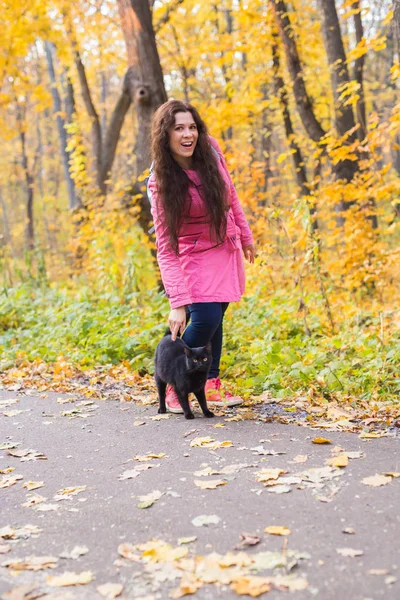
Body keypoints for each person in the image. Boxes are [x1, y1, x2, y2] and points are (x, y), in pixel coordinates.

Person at [148, 99, 255, 414]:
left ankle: (209, 381)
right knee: (205, 316)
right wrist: (177, 303)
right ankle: (174, 386)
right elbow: (166, 247)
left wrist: (246, 236)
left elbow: (230, 194)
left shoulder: (211, 150)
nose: (188, 134)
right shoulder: (161, 181)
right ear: (165, 134)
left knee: (216, 318)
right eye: (179, 128)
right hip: (193, 252)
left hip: (224, 245)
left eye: (192, 127)